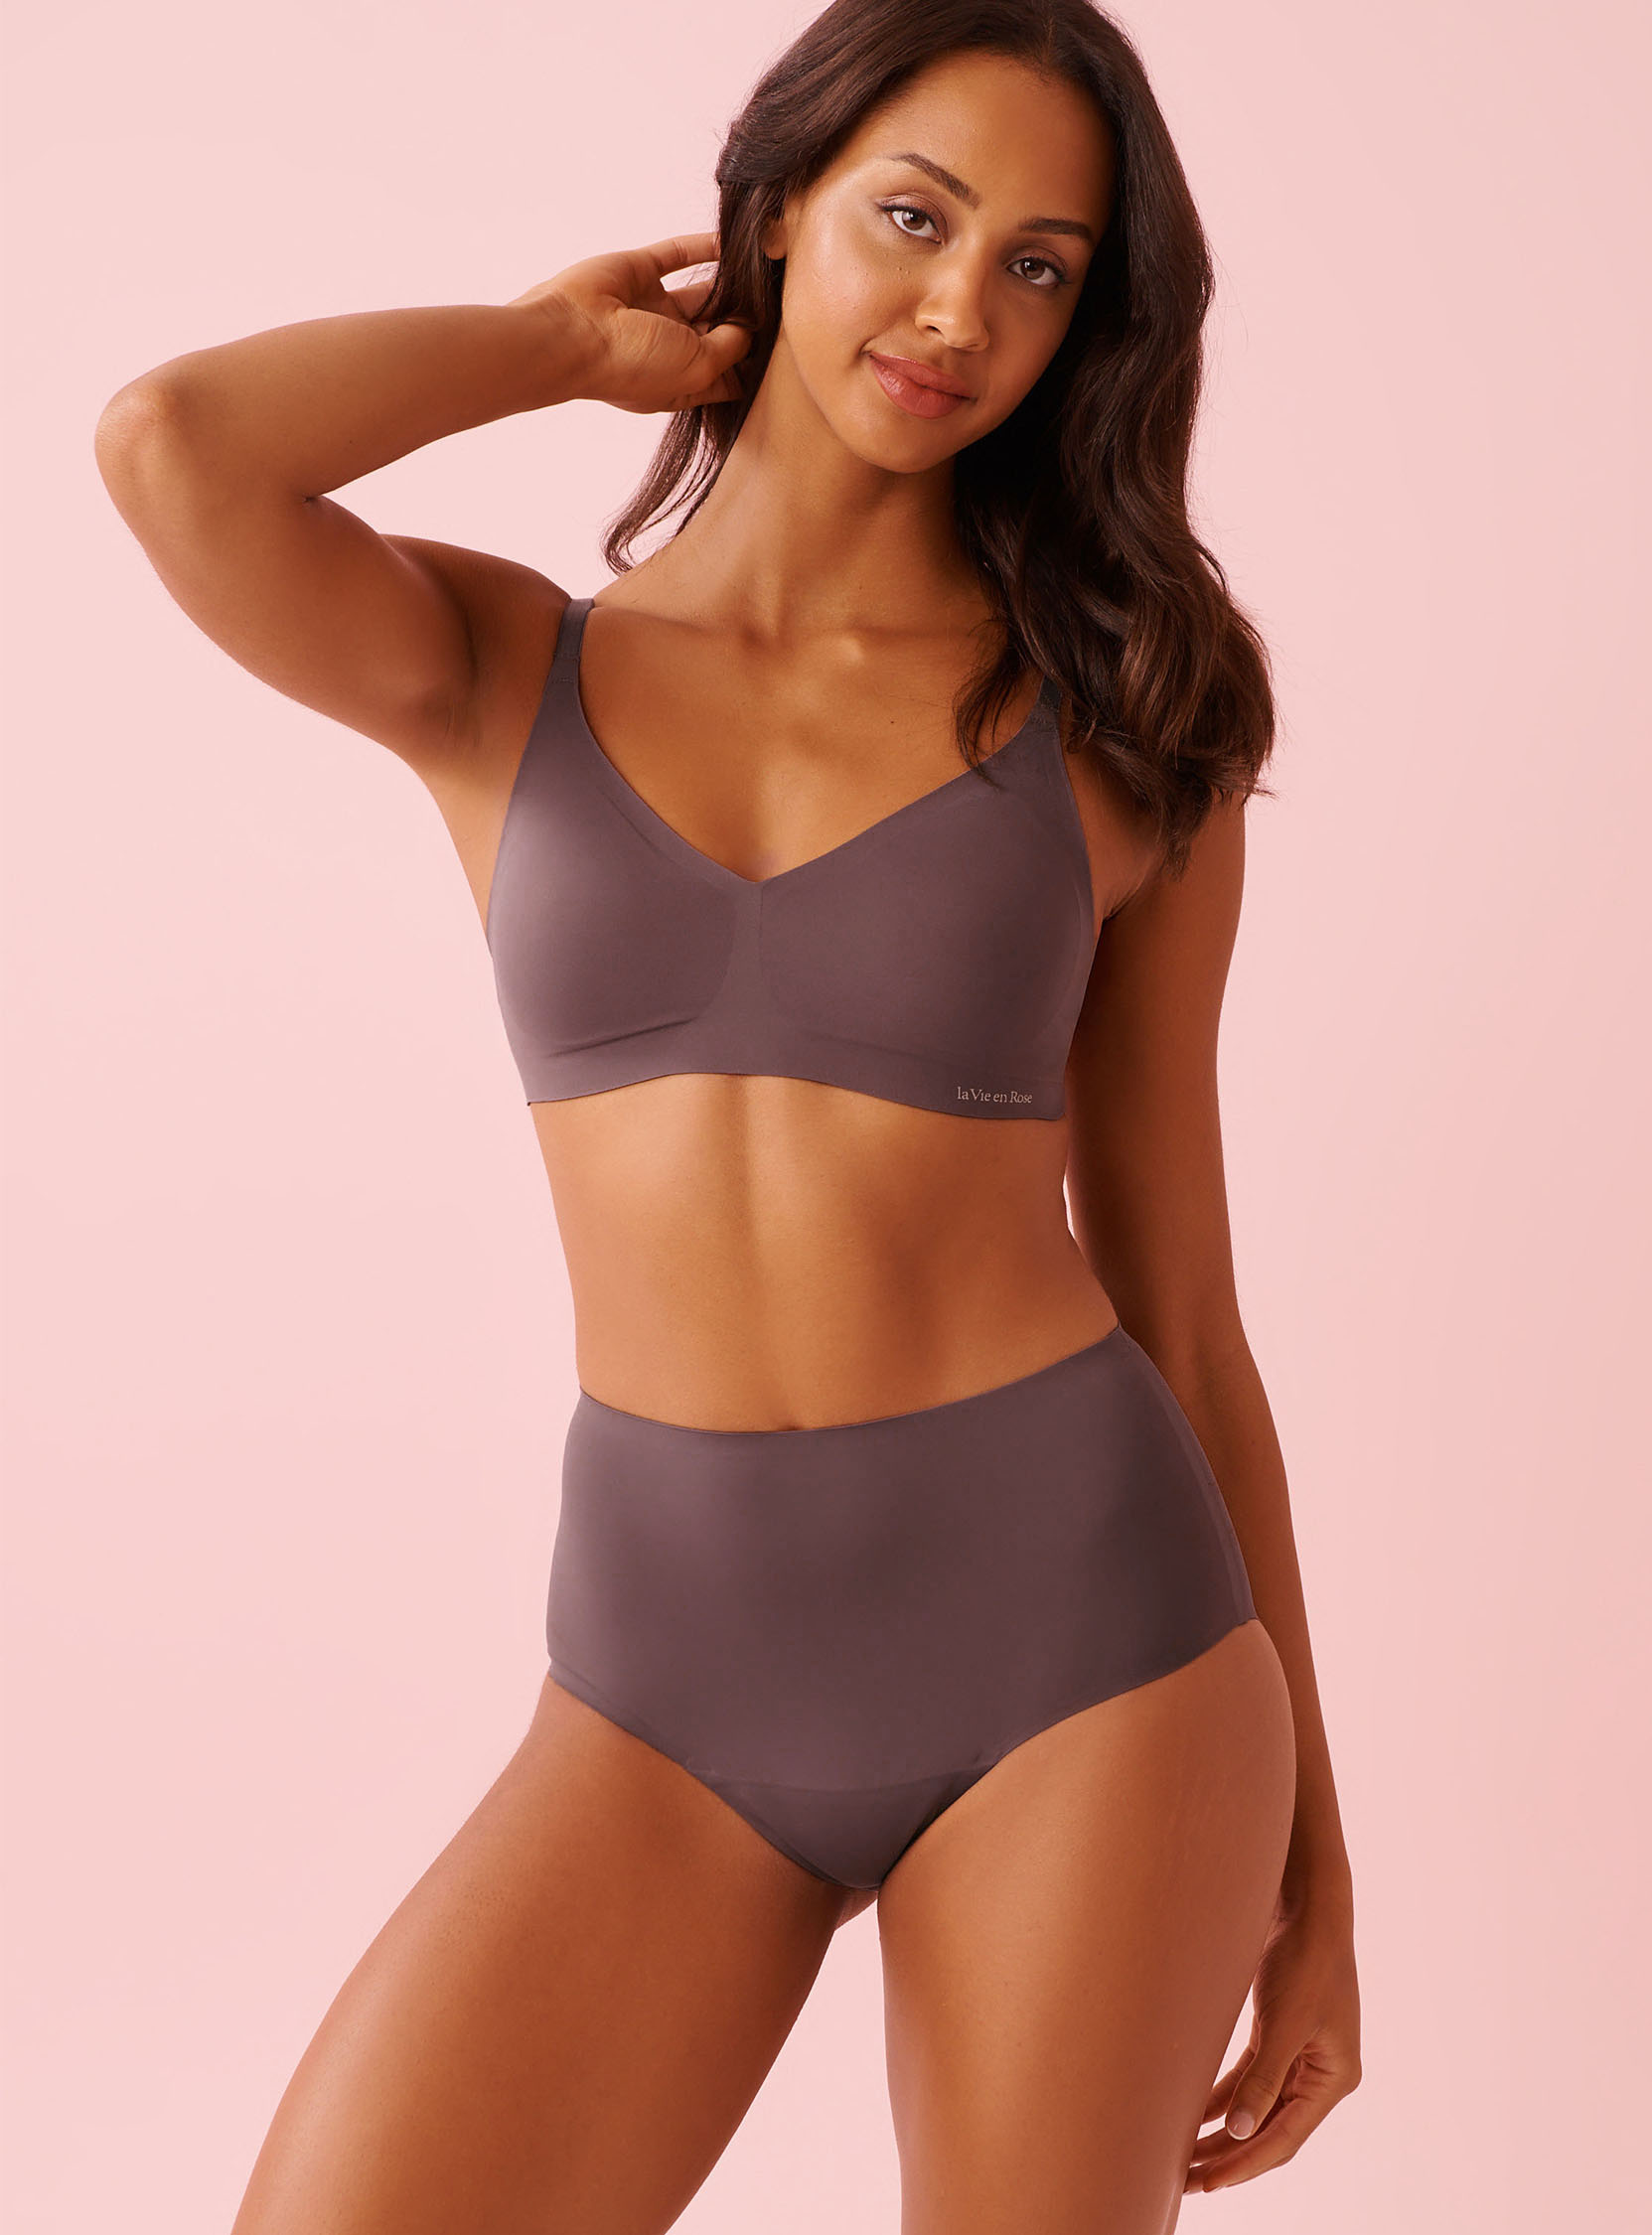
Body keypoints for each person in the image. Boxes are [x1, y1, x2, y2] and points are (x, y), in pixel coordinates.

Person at [94, 0, 1360, 2223]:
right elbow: (172, 446)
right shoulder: (502, 669)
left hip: (1088, 1654)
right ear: (776, 214)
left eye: (1041, 266)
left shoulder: (1126, 718)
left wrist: (1319, 1868)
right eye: (914, 219)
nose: (961, 312)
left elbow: (1189, 1307)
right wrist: (551, 350)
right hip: (660, 1684)